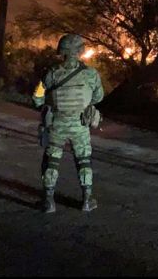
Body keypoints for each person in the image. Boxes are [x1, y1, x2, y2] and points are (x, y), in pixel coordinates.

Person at [32, 34, 104, 213]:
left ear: (62, 51)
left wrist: (43, 106)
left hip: (57, 124)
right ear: (80, 51)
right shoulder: (91, 74)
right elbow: (98, 96)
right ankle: (87, 200)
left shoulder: (52, 74)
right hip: (80, 125)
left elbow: (37, 96)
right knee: (84, 160)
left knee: (52, 161)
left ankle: (48, 201)